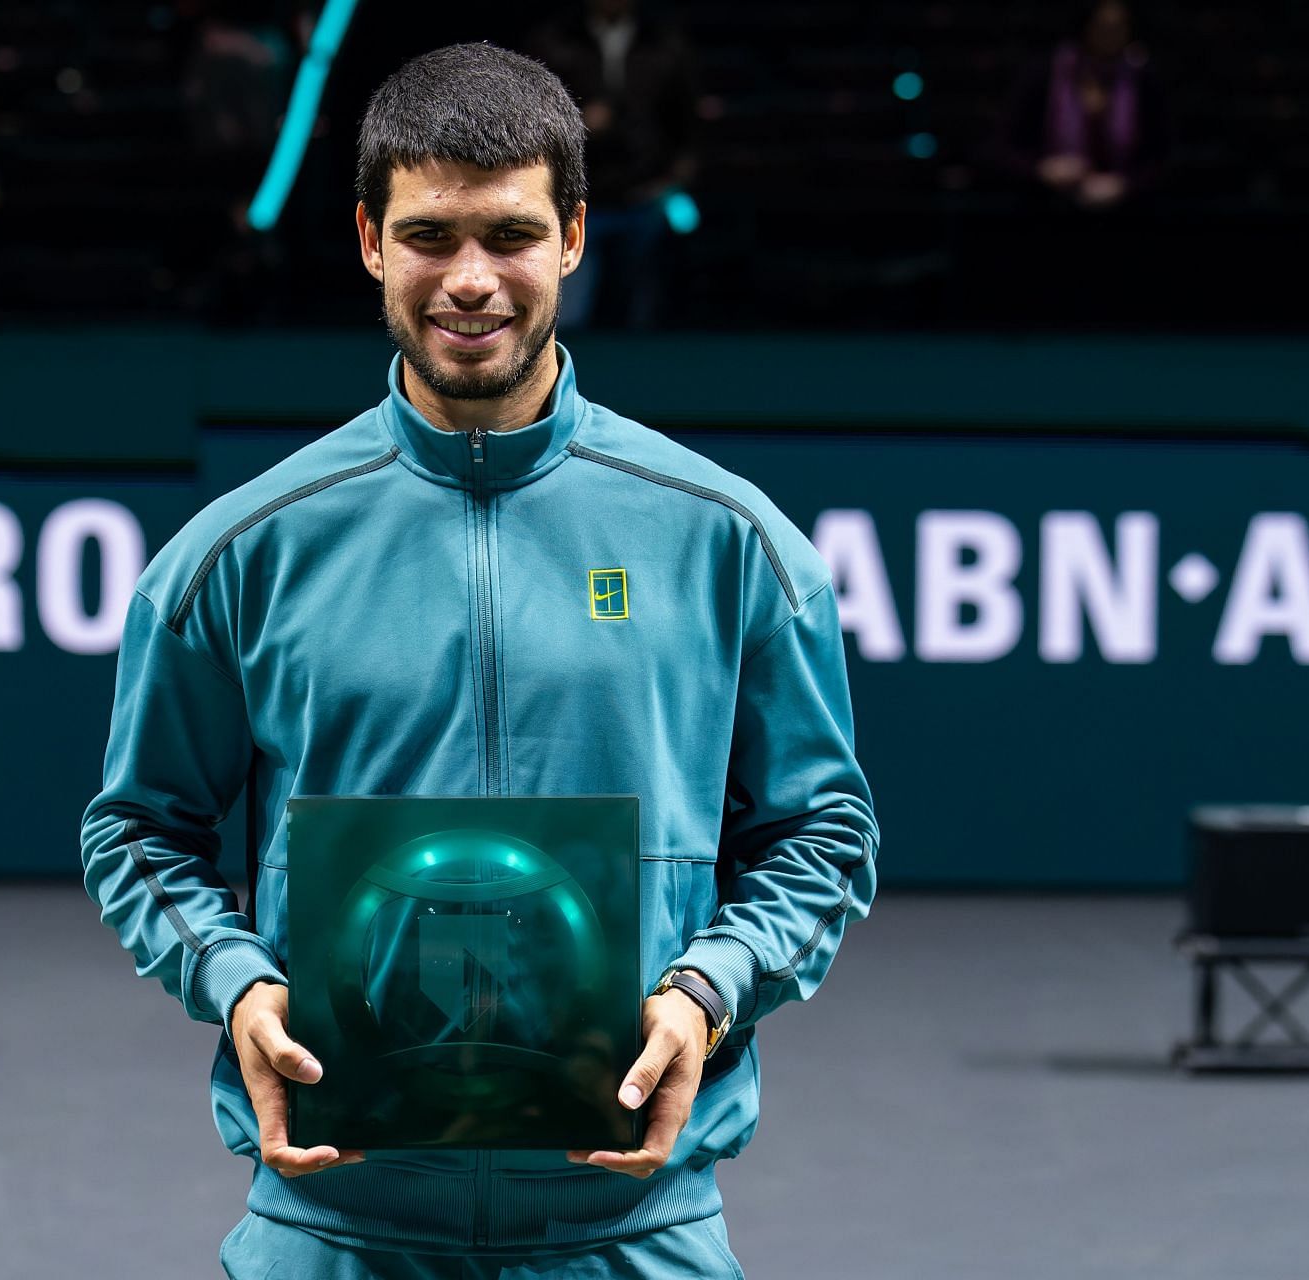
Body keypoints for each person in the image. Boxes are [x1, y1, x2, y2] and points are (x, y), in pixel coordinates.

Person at [80, 42, 877, 1278]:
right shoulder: (240, 552)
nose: (470, 280)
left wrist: (708, 988)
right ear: (366, 238)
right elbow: (137, 830)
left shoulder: (730, 543)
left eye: (507, 235)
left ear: (570, 235)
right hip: (332, 1229)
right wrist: (238, 983)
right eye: (430, 235)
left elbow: (822, 833)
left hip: (634, 1233)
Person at [526, 0, 697, 328]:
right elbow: (528, 118)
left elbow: (686, 122)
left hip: (646, 195)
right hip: (576, 199)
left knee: (642, 313)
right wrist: (578, 121)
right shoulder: (554, 39)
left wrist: (674, 178)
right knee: (569, 316)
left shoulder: (665, 42)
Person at [997, 0, 1170, 209]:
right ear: (1086, 26)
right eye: (1103, 27)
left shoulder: (1143, 79)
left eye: (1119, 27)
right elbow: (1003, 147)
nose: (1111, 36)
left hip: (1128, 208)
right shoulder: (1045, 74)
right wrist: (1043, 169)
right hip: (1049, 204)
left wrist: (1126, 184)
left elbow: (1163, 157)